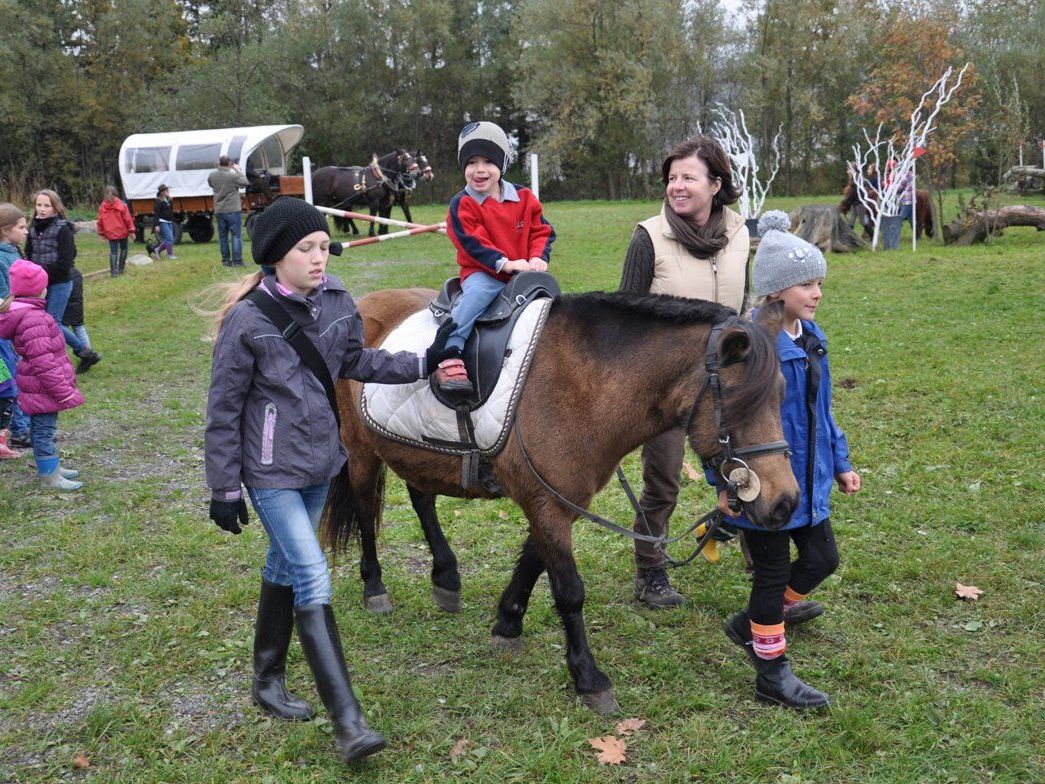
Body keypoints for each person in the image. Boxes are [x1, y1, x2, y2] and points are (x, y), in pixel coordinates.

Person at [204, 197, 451, 764]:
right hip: (270, 473)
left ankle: (265, 680)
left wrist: (423, 362)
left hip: (322, 464)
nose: (320, 257)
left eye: (322, 246)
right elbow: (222, 410)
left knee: (282, 565)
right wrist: (223, 487)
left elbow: (356, 364)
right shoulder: (247, 320)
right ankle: (349, 723)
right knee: (312, 574)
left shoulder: (337, 300)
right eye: (305, 249)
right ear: (274, 258)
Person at [718, 210, 861, 710]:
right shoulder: (754, 348)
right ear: (777, 292)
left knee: (823, 559)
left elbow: (823, 413)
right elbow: (728, 427)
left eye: (819, 281)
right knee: (772, 574)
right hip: (768, 486)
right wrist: (729, 486)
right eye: (806, 284)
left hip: (810, 479)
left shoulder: (811, 338)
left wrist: (840, 461)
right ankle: (771, 673)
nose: (817, 293)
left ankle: (752, 624)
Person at [617, 135, 749, 609]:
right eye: (672, 178)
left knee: (747, 462)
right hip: (665, 384)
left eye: (688, 177)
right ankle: (650, 570)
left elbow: (743, 305)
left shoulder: (740, 233)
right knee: (665, 479)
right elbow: (624, 316)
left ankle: (757, 547)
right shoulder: (648, 236)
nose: (677, 186)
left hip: (726, 380)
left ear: (716, 184)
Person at [435, 121, 555, 394]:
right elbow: (471, 241)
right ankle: (449, 351)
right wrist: (504, 262)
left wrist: (538, 257)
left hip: (524, 273)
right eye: (471, 162)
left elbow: (542, 230)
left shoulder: (524, 197)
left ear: (502, 163)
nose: (479, 169)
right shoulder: (462, 204)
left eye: (488, 161)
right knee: (475, 298)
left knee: (553, 304)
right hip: (484, 272)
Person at [0, 259, 85, 490]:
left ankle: (53, 466)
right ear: (40, 289)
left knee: (44, 428)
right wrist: (63, 391)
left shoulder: (27, 313)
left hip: (38, 384)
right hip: (43, 385)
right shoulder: (34, 318)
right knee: (44, 430)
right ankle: (50, 476)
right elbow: (44, 362)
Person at [24, 190, 102, 373]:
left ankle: (84, 352)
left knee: (53, 321)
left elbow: (66, 262)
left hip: (60, 282)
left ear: (55, 208)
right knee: (41, 323)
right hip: (39, 285)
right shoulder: (33, 228)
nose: (41, 209)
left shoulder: (62, 228)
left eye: (46, 205)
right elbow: (29, 255)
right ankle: (55, 360)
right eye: (38, 205)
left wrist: (41, 275)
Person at [0, 203, 31, 448]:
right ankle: (20, 431)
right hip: (8, 325)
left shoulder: (13, 250)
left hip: (20, 321)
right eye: (21, 227)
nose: (25, 231)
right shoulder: (3, 257)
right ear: (5, 230)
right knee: (14, 379)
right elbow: (5, 296)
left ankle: (20, 427)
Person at [208, 155, 249, 266]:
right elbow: (245, 182)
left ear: (219, 163)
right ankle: (238, 261)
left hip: (219, 209)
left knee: (223, 236)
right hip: (233, 209)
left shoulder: (212, 175)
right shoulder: (232, 176)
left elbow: (211, 184)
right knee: (236, 235)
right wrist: (238, 171)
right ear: (230, 163)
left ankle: (225, 260)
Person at [96, 186, 136, 276]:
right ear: (116, 193)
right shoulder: (122, 204)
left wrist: (101, 233)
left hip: (110, 233)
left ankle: (114, 272)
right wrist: (131, 231)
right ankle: (121, 269)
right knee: (124, 249)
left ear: (106, 194)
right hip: (122, 231)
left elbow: (100, 221)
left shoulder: (102, 206)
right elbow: (128, 219)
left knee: (113, 252)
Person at [62, 268, 94, 372]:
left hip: (66, 307)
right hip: (76, 305)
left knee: (62, 329)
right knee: (79, 327)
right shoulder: (76, 273)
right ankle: (89, 354)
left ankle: (64, 361)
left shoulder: (62, 276)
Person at [152, 185, 177, 261]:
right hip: (162, 222)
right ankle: (170, 255)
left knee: (170, 239)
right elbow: (156, 214)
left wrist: (170, 201)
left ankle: (157, 250)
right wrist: (156, 225)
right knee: (169, 238)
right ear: (162, 192)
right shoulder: (158, 201)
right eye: (167, 191)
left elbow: (171, 211)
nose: (168, 192)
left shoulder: (169, 200)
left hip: (169, 221)